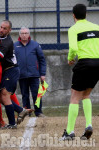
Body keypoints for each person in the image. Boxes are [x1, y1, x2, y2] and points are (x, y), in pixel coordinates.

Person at [0, 20, 33, 129]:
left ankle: (12, 124)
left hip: (11, 70)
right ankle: (20, 110)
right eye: (1, 27)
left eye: (5, 28)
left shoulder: (6, 42)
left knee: (4, 95)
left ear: (9, 30)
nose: (2, 30)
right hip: (4, 71)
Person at [61, 4, 99, 140]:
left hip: (85, 63)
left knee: (75, 97)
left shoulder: (73, 29)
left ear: (73, 15)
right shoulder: (96, 27)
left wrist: (70, 59)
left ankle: (69, 132)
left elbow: (73, 48)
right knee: (86, 95)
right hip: (97, 63)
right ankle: (88, 124)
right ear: (86, 14)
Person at [14, 27, 46, 117]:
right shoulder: (15, 46)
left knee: (37, 94)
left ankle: (38, 112)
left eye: (26, 33)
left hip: (34, 75)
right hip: (21, 75)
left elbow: (42, 60)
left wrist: (42, 74)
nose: (24, 35)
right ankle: (27, 112)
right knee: (25, 95)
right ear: (19, 35)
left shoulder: (35, 45)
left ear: (29, 34)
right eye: (22, 33)